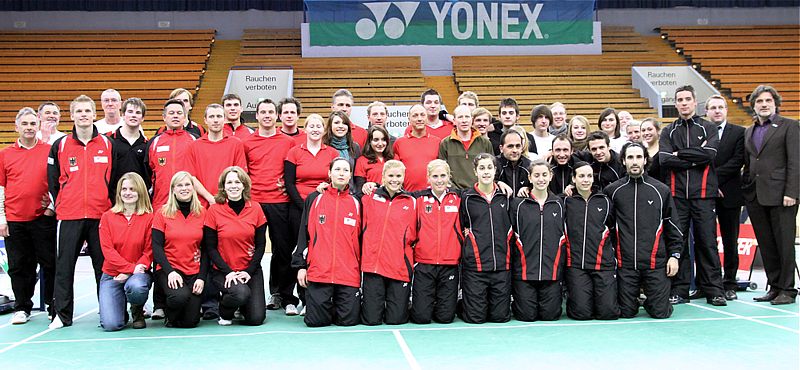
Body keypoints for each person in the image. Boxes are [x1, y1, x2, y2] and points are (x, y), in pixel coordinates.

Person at [48, 95, 114, 329]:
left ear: (95, 114)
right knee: (64, 267)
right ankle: (62, 315)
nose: (84, 115)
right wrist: (63, 204)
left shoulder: (107, 144)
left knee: (104, 268)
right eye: (79, 111)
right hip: (69, 216)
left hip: (100, 216)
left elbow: (114, 180)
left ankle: (107, 312)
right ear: (72, 115)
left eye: (88, 111)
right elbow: (52, 182)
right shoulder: (61, 145)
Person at [659, 85, 726, 306]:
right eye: (680, 99)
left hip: (704, 195)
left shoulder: (708, 127)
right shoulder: (668, 131)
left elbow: (711, 154)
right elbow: (665, 159)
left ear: (694, 102)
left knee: (707, 243)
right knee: (678, 243)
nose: (684, 103)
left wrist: (681, 155)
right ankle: (680, 289)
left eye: (688, 98)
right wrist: (696, 156)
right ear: (675, 103)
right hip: (677, 196)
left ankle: (714, 290)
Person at [606, 142, 683, 319]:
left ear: (645, 160)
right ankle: (633, 300)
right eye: (630, 157)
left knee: (660, 313)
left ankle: (653, 300)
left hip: (655, 264)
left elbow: (674, 226)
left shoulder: (661, 190)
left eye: (639, 157)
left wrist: (675, 255)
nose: (635, 162)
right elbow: (606, 227)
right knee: (626, 312)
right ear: (623, 161)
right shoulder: (612, 191)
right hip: (625, 266)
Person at [742, 85, 799, 305]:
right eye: (759, 102)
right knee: (766, 243)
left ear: (775, 104)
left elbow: (796, 162)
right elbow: (749, 163)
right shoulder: (750, 130)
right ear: (754, 105)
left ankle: (788, 289)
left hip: (782, 196)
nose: (764, 105)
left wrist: (792, 192)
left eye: (768, 101)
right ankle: (774, 287)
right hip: (756, 196)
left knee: (784, 244)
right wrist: (747, 190)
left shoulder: (790, 126)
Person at [0, 107, 56, 324]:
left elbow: (57, 182)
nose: (29, 128)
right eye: (25, 124)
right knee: (19, 266)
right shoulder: (5, 155)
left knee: (50, 263)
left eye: (33, 123)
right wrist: (2, 218)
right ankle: (22, 307)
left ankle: (53, 304)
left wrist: (51, 206)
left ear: (39, 125)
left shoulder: (50, 150)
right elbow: (0, 188)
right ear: (17, 127)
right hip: (15, 220)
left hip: (43, 219)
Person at [245, 99, 300, 315]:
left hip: (280, 202)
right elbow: (243, 172)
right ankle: (248, 295)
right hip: (255, 203)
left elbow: (293, 171)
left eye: (270, 112)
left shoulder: (288, 142)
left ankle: (283, 295)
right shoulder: (247, 143)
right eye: (262, 112)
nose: (267, 115)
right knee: (251, 249)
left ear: (276, 116)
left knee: (282, 250)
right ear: (256, 116)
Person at [292, 157, 362, 327]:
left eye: (345, 170)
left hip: (347, 273)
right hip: (319, 272)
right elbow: (303, 235)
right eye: (337, 169)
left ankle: (336, 304)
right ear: (329, 173)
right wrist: (301, 266)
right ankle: (320, 304)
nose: (341, 173)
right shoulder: (314, 199)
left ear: (350, 175)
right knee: (315, 322)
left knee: (348, 321)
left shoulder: (357, 202)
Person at [285, 114, 340, 313]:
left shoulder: (332, 153)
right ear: (305, 129)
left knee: (317, 251)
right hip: (298, 208)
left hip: (324, 209)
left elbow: (337, 179)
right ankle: (292, 298)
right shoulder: (294, 152)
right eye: (311, 126)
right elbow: (289, 183)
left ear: (324, 130)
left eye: (319, 126)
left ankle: (310, 298)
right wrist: (305, 205)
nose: (315, 129)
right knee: (297, 251)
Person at [205, 167, 267, 326]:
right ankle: (225, 310)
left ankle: (242, 305)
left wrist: (248, 271)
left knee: (255, 319)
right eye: (229, 182)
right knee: (240, 293)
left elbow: (261, 245)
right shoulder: (214, 210)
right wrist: (228, 272)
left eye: (237, 182)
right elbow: (210, 247)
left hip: (249, 270)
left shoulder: (256, 208)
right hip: (223, 271)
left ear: (244, 185)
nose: (234, 186)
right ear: (223, 187)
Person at [360, 160, 417, 325]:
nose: (394, 179)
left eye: (398, 176)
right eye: (390, 175)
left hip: (399, 266)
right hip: (374, 266)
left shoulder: (412, 201)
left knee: (396, 320)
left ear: (404, 177)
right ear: (383, 177)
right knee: (371, 320)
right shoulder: (369, 197)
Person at [509, 159, 566, 321]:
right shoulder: (517, 204)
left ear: (551, 176)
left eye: (544, 175)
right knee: (526, 316)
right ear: (530, 177)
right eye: (536, 175)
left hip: (551, 273)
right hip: (525, 273)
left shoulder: (560, 203)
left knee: (550, 316)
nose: (541, 179)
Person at [459, 153, 512, 324]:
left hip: (501, 266)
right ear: (475, 171)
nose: (486, 172)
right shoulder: (466, 198)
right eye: (482, 168)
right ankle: (462, 301)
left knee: (500, 318)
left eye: (489, 167)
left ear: (496, 170)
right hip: (476, 267)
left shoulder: (507, 196)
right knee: (475, 318)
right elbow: (462, 226)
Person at [98, 172, 153, 331]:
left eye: (132, 189)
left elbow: (149, 251)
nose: (128, 193)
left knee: (136, 287)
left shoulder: (149, 217)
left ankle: (137, 309)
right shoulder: (107, 217)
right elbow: (108, 251)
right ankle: (120, 310)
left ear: (140, 192)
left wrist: (132, 272)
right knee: (111, 325)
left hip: (138, 274)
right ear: (119, 192)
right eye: (124, 189)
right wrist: (129, 269)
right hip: (112, 275)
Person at [563, 161, 618, 320]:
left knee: (608, 313)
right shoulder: (566, 202)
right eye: (581, 176)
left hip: (603, 263)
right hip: (576, 265)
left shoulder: (606, 201)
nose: (585, 180)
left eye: (589, 176)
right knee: (581, 314)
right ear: (574, 179)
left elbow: (613, 230)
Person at [151, 171, 207, 328]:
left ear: (193, 188)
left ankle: (179, 314)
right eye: (179, 185)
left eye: (187, 184)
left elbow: (207, 249)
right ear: (173, 189)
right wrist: (170, 272)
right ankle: (170, 314)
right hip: (170, 270)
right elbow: (156, 246)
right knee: (179, 297)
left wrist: (201, 277)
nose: (184, 188)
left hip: (193, 270)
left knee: (191, 321)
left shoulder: (202, 212)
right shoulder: (162, 213)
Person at [410, 159, 462, 324]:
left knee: (445, 318)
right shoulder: (417, 199)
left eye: (443, 176)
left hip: (450, 263)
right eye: (435, 176)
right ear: (428, 178)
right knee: (421, 318)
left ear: (449, 177)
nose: (439, 180)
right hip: (424, 263)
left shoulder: (459, 197)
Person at [706, 95, 744, 301]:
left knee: (731, 241)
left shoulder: (739, 133)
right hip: (704, 194)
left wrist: (715, 182)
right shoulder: (700, 132)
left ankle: (729, 282)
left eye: (721, 107)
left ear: (726, 110)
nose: (717, 111)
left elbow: (737, 160)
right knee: (707, 240)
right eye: (713, 108)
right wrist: (711, 185)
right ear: (707, 111)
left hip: (729, 194)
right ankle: (708, 283)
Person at [185, 103, 247, 207]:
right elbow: (191, 177)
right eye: (211, 116)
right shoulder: (194, 146)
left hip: (228, 203)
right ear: (205, 120)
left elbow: (241, 174)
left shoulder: (236, 144)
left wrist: (224, 197)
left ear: (224, 119)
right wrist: (209, 198)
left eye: (219, 116)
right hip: (201, 204)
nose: (215, 120)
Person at [144, 99, 199, 208]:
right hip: (161, 203)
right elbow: (147, 173)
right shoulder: (154, 142)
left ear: (184, 117)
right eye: (171, 113)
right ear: (164, 117)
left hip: (190, 203)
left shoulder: (195, 140)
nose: (175, 116)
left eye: (179, 113)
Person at [438, 105, 494, 190]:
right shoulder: (445, 143)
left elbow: (491, 168)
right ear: (454, 121)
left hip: (479, 193)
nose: (464, 120)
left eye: (467, 117)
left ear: (471, 120)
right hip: (455, 193)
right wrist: (453, 189)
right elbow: (442, 170)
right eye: (460, 117)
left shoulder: (485, 143)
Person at [393, 105, 441, 192]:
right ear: (409, 119)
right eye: (415, 115)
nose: (419, 119)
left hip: (431, 194)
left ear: (427, 118)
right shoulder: (399, 143)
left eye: (422, 115)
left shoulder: (437, 142)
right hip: (407, 194)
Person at [108, 98, 150, 195]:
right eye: (130, 111)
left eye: (138, 112)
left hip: (139, 197)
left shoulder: (147, 144)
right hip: (115, 197)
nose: (134, 115)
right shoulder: (110, 141)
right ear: (123, 115)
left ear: (143, 118)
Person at [355, 125, 393, 195]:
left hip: (392, 201)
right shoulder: (361, 161)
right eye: (376, 140)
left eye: (383, 139)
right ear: (369, 141)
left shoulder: (394, 159)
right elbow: (360, 189)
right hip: (372, 201)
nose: (380, 143)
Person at [323, 111, 362, 178]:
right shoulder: (323, 146)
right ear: (330, 126)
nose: (340, 126)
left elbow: (357, 175)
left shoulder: (355, 147)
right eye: (336, 123)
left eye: (344, 123)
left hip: (350, 188)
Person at [495, 130, 532, 196]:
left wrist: (529, 189)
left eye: (518, 146)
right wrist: (497, 183)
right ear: (501, 148)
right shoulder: (493, 164)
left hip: (522, 205)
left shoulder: (529, 166)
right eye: (510, 146)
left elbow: (540, 186)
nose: (515, 150)